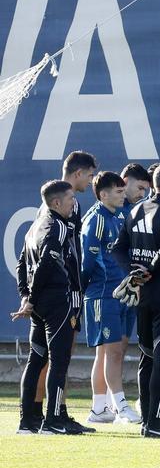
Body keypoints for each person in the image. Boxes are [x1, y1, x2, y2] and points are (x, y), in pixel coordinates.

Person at [112, 163, 160, 438]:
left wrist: (133, 272)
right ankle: (154, 422)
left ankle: (148, 421)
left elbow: (118, 248)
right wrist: (150, 270)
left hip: (143, 292)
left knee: (147, 356)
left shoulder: (135, 209)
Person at [14, 180, 83, 434]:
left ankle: (27, 420)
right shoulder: (58, 226)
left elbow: (22, 265)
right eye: (70, 199)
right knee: (58, 361)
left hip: (39, 305)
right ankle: (53, 421)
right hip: (57, 301)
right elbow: (44, 265)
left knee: (36, 359)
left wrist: (25, 296)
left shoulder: (34, 227)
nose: (73, 203)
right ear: (56, 203)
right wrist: (29, 298)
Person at [80, 172, 140, 425]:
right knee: (111, 351)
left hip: (122, 293)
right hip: (103, 295)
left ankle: (99, 409)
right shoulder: (96, 220)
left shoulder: (120, 216)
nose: (123, 194)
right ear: (103, 194)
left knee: (111, 352)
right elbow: (86, 263)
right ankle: (120, 406)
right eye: (118, 191)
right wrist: (82, 292)